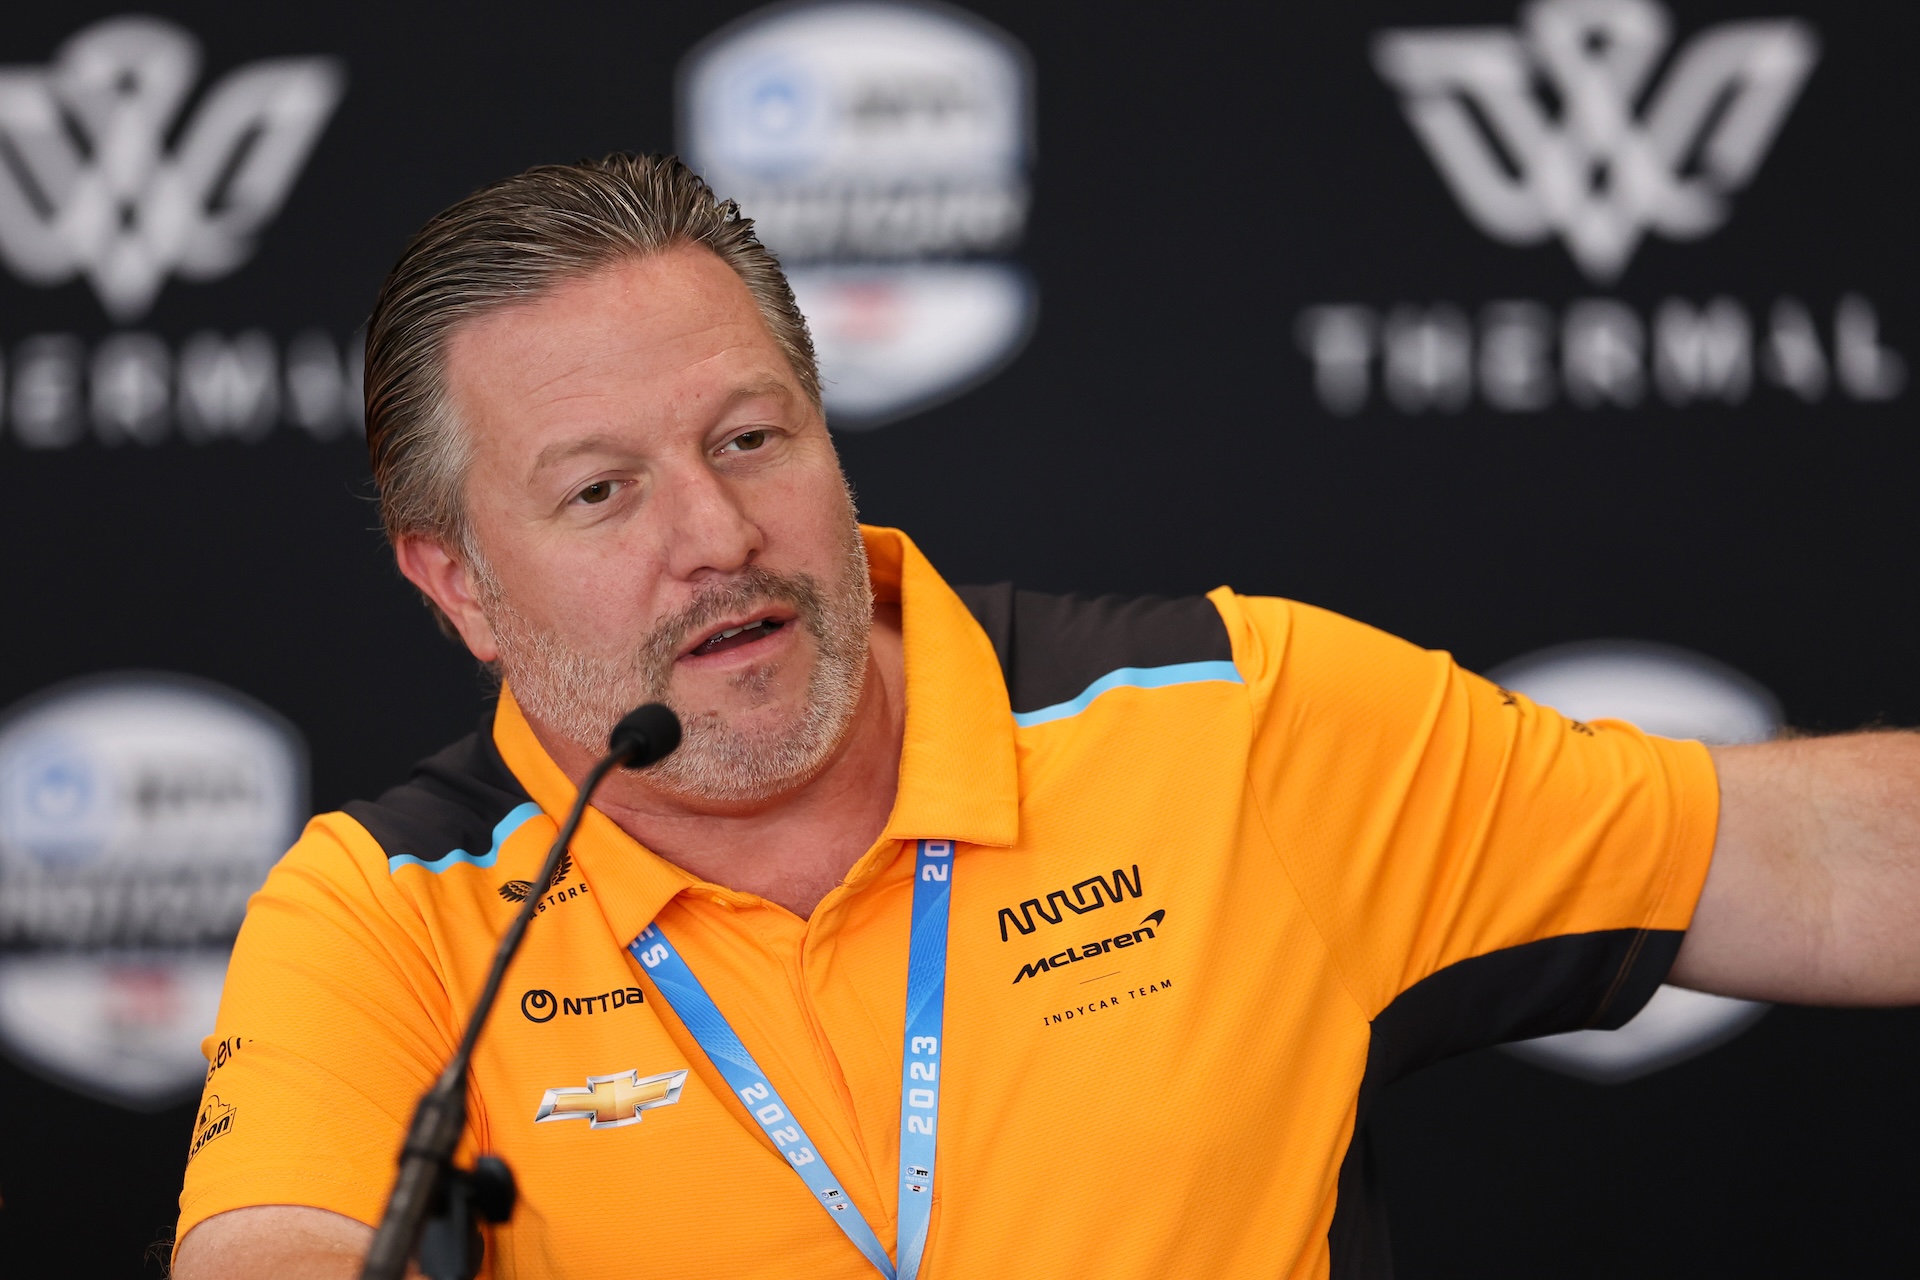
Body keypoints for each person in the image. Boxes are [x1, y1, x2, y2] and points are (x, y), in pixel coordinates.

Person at [172, 154, 1920, 1280]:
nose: (717, 538)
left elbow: (1827, 866)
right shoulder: (389, 916)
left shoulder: (1224, 724)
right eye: (602, 493)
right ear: (457, 584)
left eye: (751, 439)